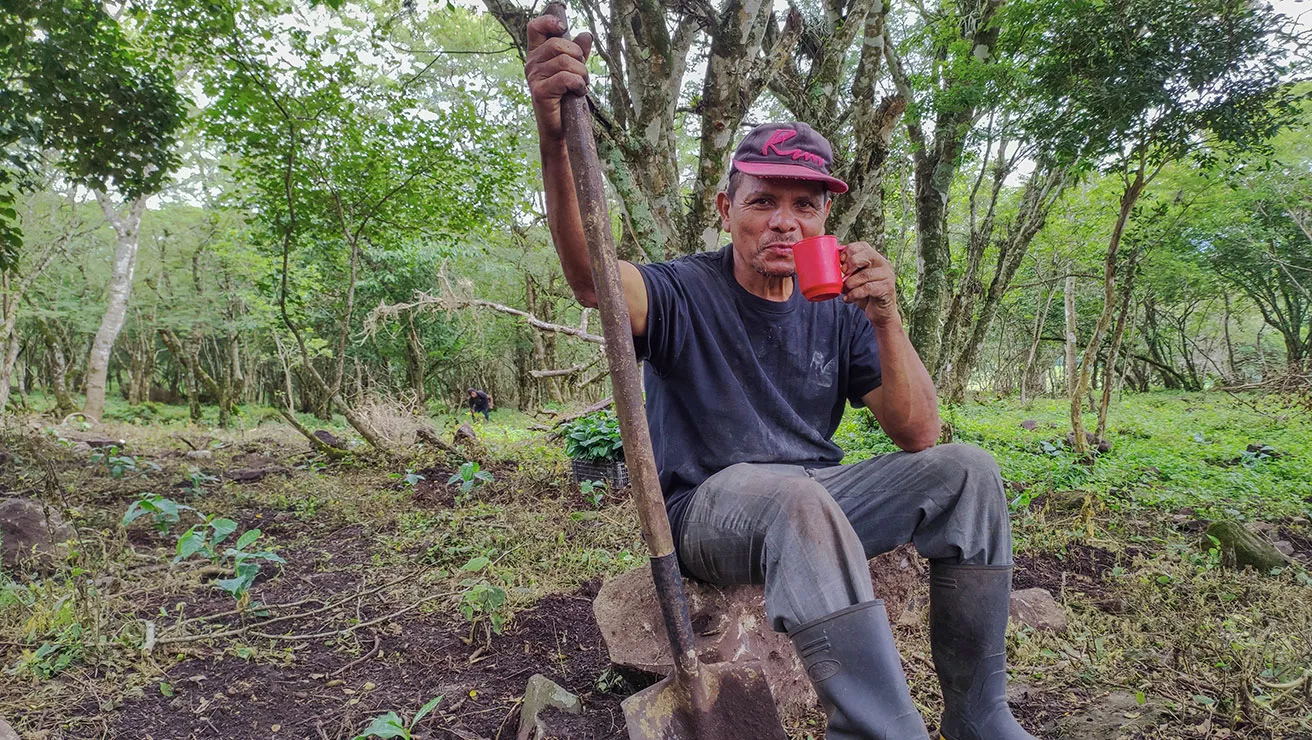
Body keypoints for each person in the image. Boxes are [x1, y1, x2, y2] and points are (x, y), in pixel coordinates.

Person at [524, 13, 1038, 740]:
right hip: (710, 508)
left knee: (969, 473)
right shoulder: (681, 291)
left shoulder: (842, 308)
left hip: (817, 501)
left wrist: (889, 318)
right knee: (797, 496)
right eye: (763, 200)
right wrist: (553, 134)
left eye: (805, 204)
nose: (784, 222)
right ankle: (879, 731)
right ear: (725, 208)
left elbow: (918, 431)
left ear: (827, 217)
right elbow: (591, 279)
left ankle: (981, 716)